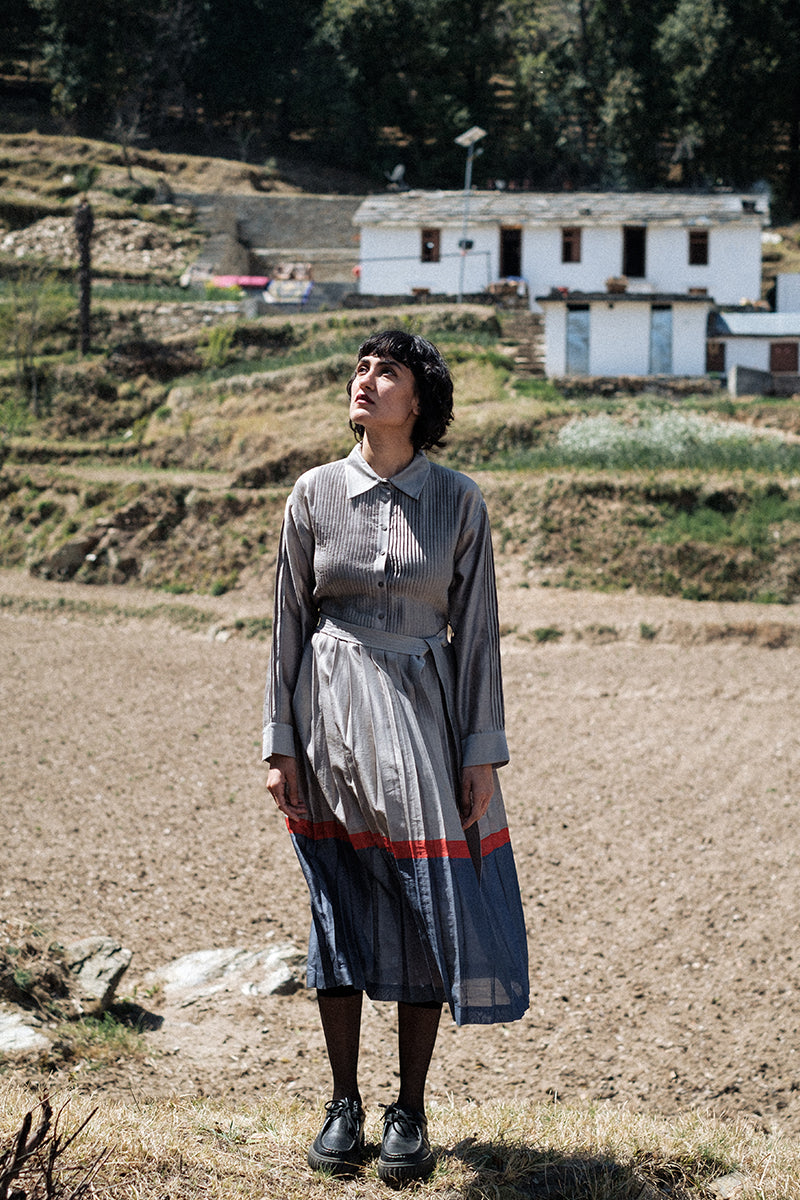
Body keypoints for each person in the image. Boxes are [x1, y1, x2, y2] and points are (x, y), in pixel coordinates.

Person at [264, 330, 528, 1184]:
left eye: (389, 372)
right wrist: (279, 743)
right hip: (328, 717)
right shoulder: (313, 493)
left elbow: (478, 636)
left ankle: (409, 1108)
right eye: (362, 368)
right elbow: (287, 625)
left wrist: (481, 753)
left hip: (422, 719)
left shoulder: (459, 501)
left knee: (422, 903)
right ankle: (342, 1103)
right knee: (336, 902)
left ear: (421, 402)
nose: (367, 380)